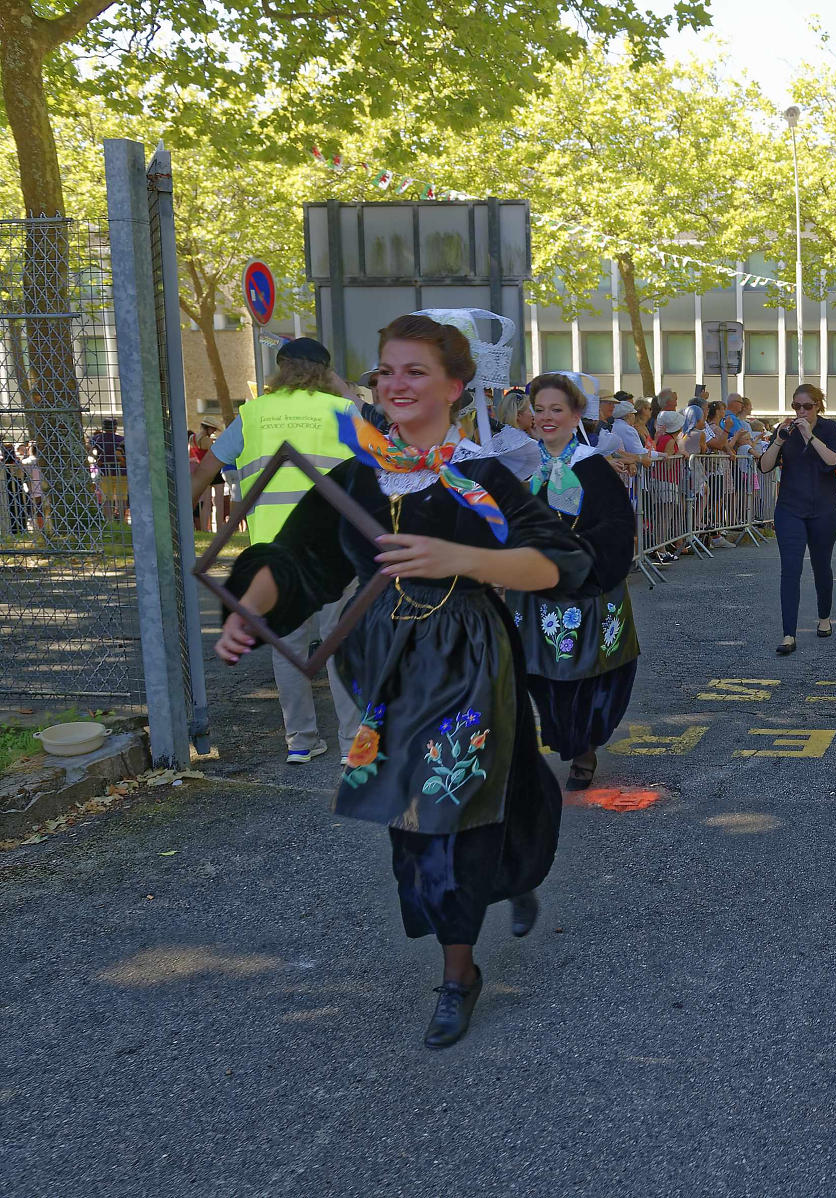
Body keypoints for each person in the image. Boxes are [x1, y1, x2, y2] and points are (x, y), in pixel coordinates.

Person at [212, 313, 592, 1049]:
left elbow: (558, 562)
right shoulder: (354, 475)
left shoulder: (482, 478)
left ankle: (458, 976)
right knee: (419, 815)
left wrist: (462, 558)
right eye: (385, 371)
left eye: (414, 371)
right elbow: (295, 561)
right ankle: (507, 875)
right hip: (384, 665)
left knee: (446, 814)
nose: (394, 384)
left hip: (472, 659)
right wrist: (248, 612)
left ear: (456, 385)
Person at [190, 338, 363, 765]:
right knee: (340, 642)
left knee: (288, 646)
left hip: (271, 550)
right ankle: (353, 744)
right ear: (327, 372)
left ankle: (301, 740)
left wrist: (175, 523)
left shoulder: (251, 416)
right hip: (333, 547)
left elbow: (205, 474)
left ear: (279, 369)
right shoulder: (342, 412)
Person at [508, 374, 640, 792]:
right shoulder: (519, 463)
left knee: (586, 677)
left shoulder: (590, 465)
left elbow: (619, 524)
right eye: (539, 409)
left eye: (556, 410)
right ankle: (563, 737)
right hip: (533, 592)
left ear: (575, 415)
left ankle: (583, 746)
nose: (546, 418)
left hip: (585, 590)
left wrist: (575, 550)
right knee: (541, 676)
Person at [757, 383, 836, 654]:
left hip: (824, 509)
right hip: (790, 508)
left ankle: (824, 617)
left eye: (807, 406)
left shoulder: (828, 429)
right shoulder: (785, 430)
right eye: (796, 406)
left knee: (821, 567)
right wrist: (780, 440)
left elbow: (834, 462)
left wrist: (810, 437)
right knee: (790, 569)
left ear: (818, 406)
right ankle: (788, 635)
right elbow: (765, 466)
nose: (801, 412)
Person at [89, 417, 128, 522]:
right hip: (121, 471)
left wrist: (98, 459)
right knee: (122, 498)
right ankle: (121, 520)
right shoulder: (121, 439)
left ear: (103, 427)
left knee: (107, 498)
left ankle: (109, 521)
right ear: (115, 428)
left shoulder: (96, 439)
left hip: (105, 471)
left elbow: (90, 450)